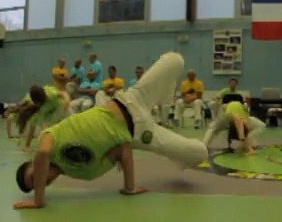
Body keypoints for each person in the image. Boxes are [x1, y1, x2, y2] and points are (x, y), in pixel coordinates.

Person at [14, 52, 208, 209]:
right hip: (141, 134)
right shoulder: (83, 172)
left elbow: (43, 153)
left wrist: (39, 199)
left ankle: (166, 99)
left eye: (36, 177)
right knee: (200, 153)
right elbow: (123, 149)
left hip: (131, 99)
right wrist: (129, 187)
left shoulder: (47, 140)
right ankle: (179, 152)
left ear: (33, 163)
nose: (44, 179)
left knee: (175, 59)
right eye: (44, 184)